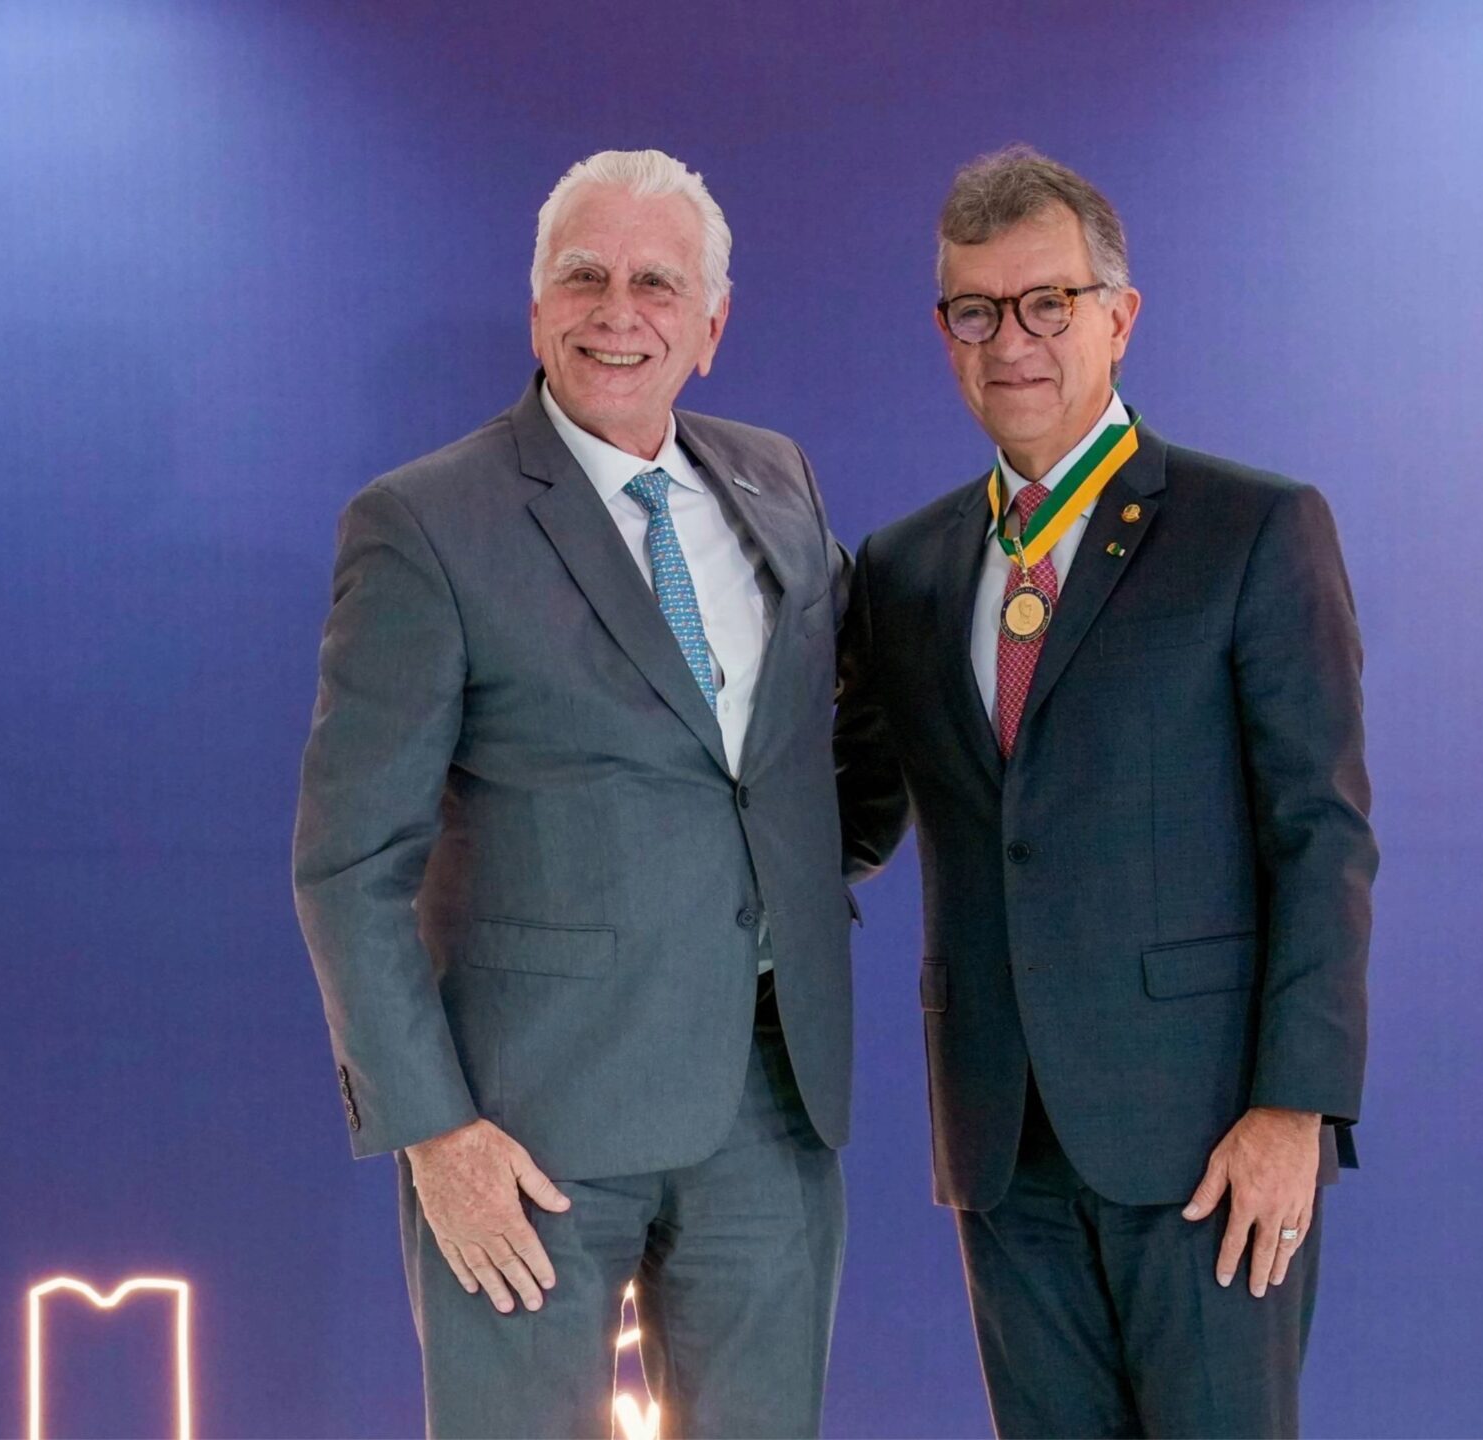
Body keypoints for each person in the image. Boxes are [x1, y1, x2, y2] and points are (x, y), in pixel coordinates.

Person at [293, 148, 852, 1438]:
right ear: (537, 303)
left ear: (711, 327)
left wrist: (801, 879)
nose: (618, 312)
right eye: (584, 276)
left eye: (657, 284)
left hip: (769, 1109)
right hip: (524, 1132)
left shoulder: (776, 480)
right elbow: (348, 865)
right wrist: (435, 1134)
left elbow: (811, 755)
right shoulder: (424, 522)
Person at [835, 146, 1376, 1438]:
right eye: (977, 311)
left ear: (1119, 317)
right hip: (1000, 1142)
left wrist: (1294, 1108)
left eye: (1048, 303)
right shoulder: (902, 571)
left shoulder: (1252, 529)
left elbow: (1320, 837)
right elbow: (848, 815)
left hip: (1210, 1147)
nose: (1012, 341)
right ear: (945, 335)